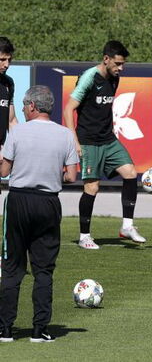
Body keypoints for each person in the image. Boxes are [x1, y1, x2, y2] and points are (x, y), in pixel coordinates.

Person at [0, 85, 80, 342]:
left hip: (19, 201)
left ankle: (5, 329)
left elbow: (3, 172)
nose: (22, 109)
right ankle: (40, 329)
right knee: (43, 269)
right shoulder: (65, 134)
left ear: (33, 106)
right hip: (48, 202)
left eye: (24, 105)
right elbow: (71, 175)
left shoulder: (17, 132)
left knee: (12, 267)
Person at [63, 40, 146, 249]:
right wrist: (75, 141)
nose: (121, 68)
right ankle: (84, 236)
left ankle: (127, 225)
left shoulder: (115, 78)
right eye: (117, 64)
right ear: (106, 59)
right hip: (88, 141)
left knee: (130, 172)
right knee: (92, 187)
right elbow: (68, 109)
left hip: (108, 138)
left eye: (123, 64)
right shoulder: (89, 78)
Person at [0, 37, 18, 148]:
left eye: (9, 60)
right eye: (2, 60)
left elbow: (11, 121)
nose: (6, 65)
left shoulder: (8, 82)